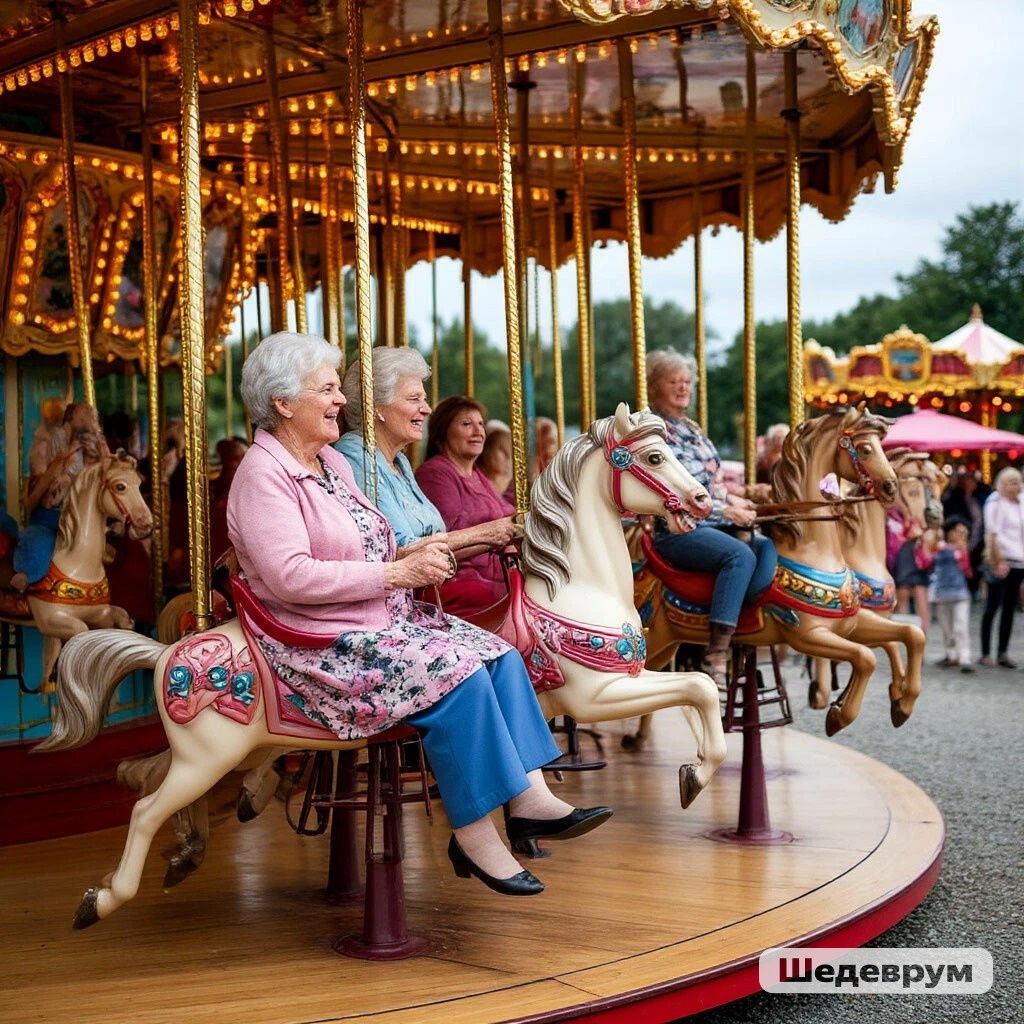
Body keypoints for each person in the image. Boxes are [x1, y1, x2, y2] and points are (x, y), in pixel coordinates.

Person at [229, 332, 611, 896]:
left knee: (501, 654)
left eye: (338, 389)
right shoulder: (264, 476)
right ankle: (474, 835)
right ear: (283, 403)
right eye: (327, 390)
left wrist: (414, 557)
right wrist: (394, 575)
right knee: (457, 673)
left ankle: (529, 800)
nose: (341, 401)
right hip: (320, 640)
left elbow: (374, 541)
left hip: (375, 618)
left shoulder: (329, 462)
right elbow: (291, 575)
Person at [335, 348, 515, 616]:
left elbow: (432, 540)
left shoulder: (399, 461)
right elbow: (398, 548)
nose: (427, 409)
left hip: (422, 595)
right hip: (393, 607)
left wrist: (495, 537)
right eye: (414, 399)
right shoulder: (357, 457)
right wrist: (485, 534)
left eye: (425, 399)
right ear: (377, 407)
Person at [644, 349, 777, 686]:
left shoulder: (692, 429)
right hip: (679, 526)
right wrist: (726, 510)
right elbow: (676, 491)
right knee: (739, 555)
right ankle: (716, 652)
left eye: (686, 382)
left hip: (712, 520)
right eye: (673, 382)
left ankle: (741, 631)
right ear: (655, 387)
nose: (682, 388)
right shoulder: (655, 433)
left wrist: (735, 499)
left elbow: (711, 484)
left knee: (765, 546)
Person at [9, 402, 109, 592]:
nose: (90, 419)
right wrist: (66, 457)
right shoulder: (52, 441)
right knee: (40, 542)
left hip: (82, 519)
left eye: (92, 417)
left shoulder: (95, 444)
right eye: (84, 417)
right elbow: (40, 482)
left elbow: (106, 475)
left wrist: (102, 452)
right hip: (51, 516)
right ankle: (25, 575)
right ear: (69, 421)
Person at [978, 466, 1024, 668]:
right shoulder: (995, 502)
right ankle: (985, 651)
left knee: (1009, 608)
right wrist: (998, 559)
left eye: (1017, 482)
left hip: (1019, 560)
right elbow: (992, 532)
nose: (1014, 486)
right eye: (1011, 483)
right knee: (992, 605)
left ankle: (1002, 651)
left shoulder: (1020, 502)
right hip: (1001, 558)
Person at [919, 516, 974, 673]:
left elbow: (968, 571)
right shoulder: (939, 547)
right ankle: (951, 654)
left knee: (960, 626)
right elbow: (925, 561)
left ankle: (964, 656)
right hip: (942, 594)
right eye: (957, 530)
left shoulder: (961, 550)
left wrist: (963, 552)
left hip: (960, 593)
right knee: (946, 627)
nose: (960, 534)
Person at [942, 466, 991, 599]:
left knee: (977, 564)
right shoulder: (954, 496)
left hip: (979, 536)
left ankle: (974, 589)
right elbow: (950, 515)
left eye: (971, 480)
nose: (969, 483)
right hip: (961, 534)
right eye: (966, 480)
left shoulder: (983, 494)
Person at [478, 422, 514, 504]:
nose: (508, 457)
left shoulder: (514, 490)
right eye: (502, 449)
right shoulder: (475, 482)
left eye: (510, 451)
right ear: (487, 450)